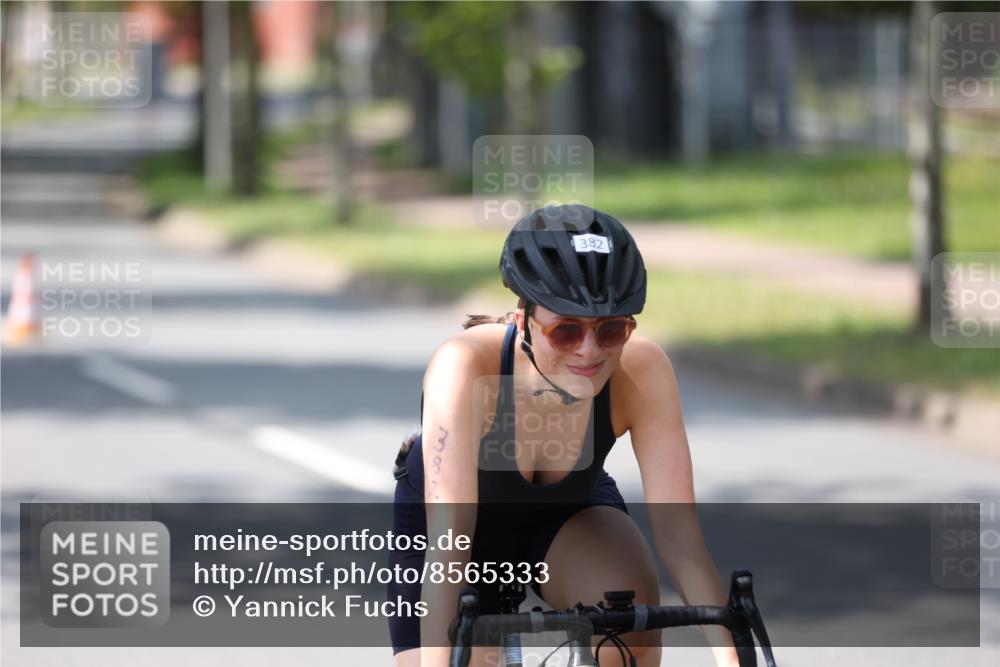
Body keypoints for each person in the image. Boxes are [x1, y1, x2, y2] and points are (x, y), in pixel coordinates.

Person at [388, 205, 740, 667]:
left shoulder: (643, 369)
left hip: (568, 516)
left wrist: (731, 657)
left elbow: (679, 534)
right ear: (523, 321)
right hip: (455, 533)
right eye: (566, 331)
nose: (590, 352)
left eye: (612, 329)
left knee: (628, 633)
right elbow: (449, 541)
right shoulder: (464, 367)